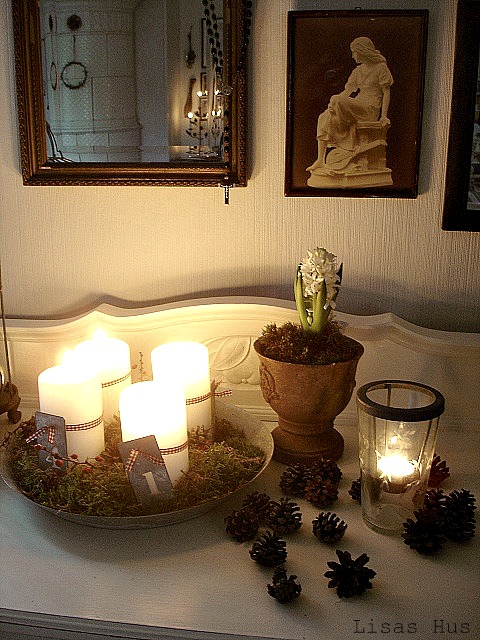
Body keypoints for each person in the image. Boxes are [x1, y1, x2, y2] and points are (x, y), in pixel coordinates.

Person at [307, 37, 393, 174]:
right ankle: (320, 160)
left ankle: (344, 134)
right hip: (356, 105)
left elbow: (386, 92)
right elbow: (347, 92)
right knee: (324, 116)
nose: (353, 56)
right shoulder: (357, 71)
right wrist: (334, 104)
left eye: (354, 52)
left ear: (363, 51)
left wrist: (384, 116)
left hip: (370, 109)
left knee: (336, 100)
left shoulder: (380, 67)